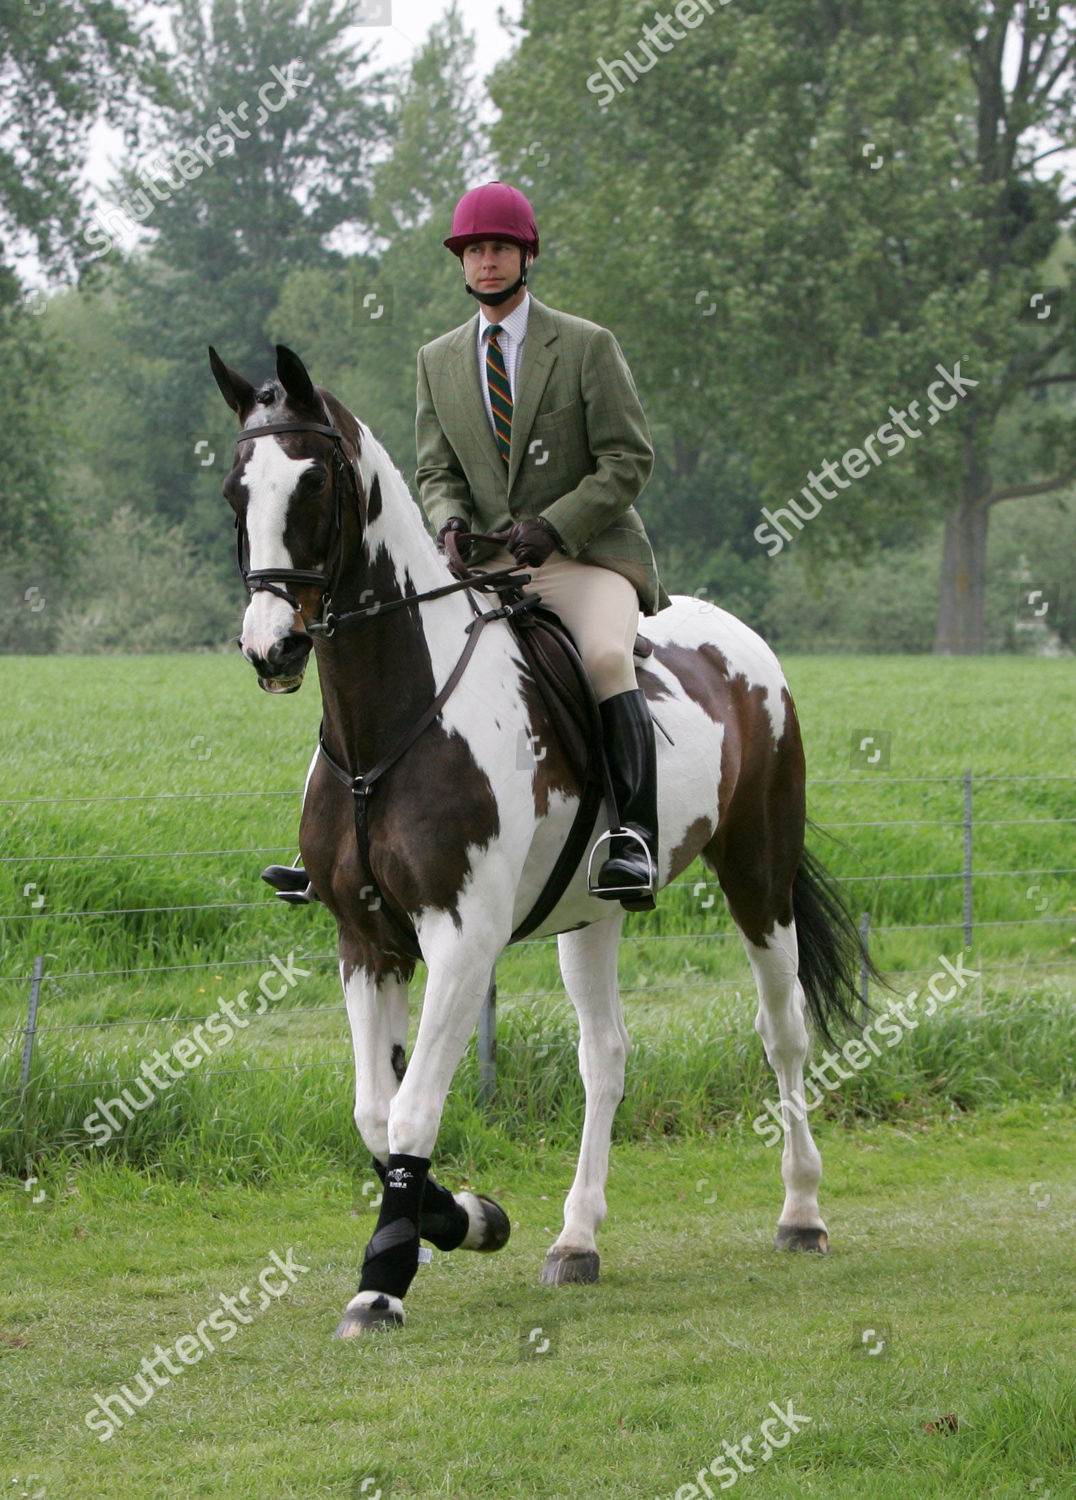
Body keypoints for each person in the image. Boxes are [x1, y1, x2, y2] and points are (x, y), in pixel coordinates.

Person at [416, 181, 670, 909]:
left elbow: (628, 458)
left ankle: (635, 839)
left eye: (499, 248)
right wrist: (449, 522)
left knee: (606, 658)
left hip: (582, 558)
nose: (485, 261)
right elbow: (436, 470)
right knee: (402, 653)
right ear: (461, 263)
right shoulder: (436, 359)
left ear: (527, 255)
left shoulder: (587, 345)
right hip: (488, 566)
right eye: (473, 251)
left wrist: (556, 524)